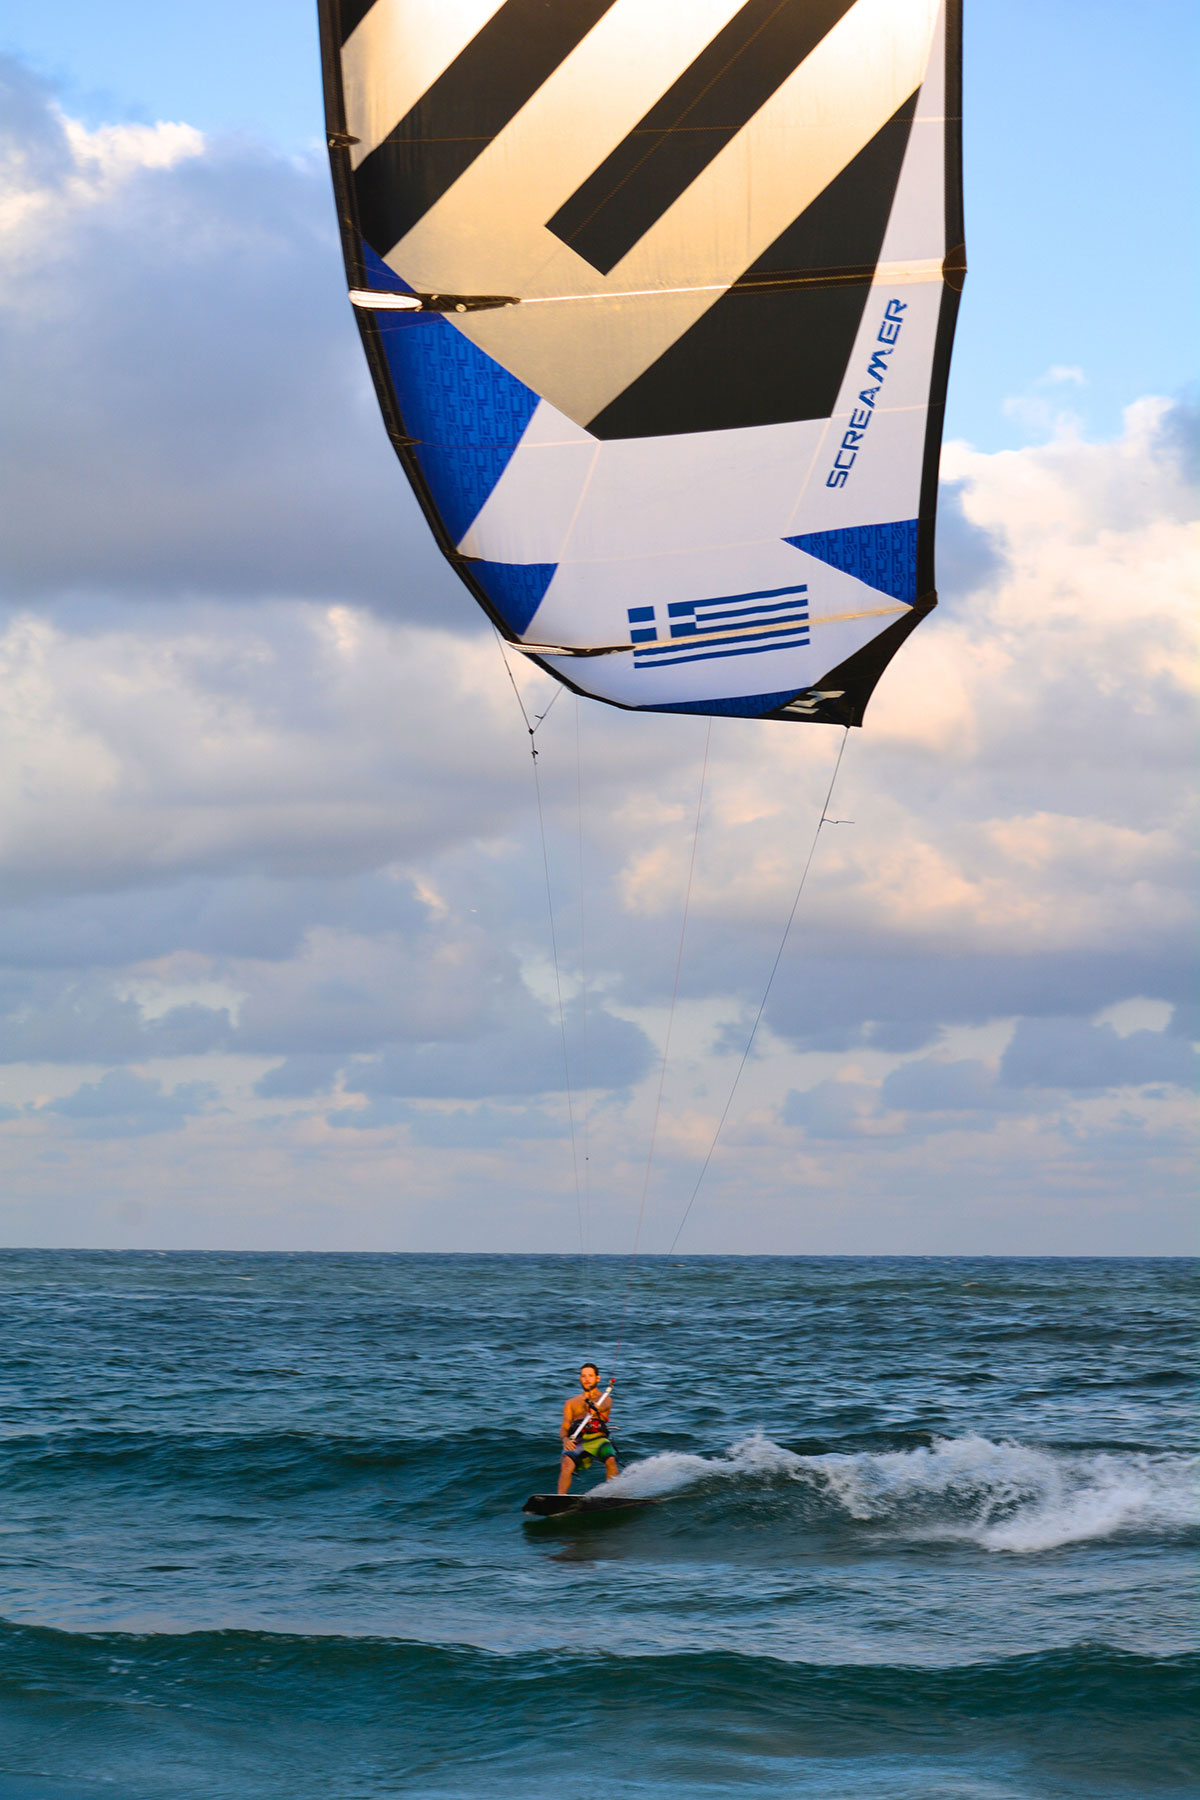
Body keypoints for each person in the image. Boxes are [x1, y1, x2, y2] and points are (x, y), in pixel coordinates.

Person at [558, 1363, 618, 1495]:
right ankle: (560, 1497)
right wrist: (565, 1440)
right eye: (583, 1376)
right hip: (578, 1440)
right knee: (567, 1464)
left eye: (590, 1376)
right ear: (580, 1379)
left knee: (611, 1460)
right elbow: (564, 1427)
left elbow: (604, 1405)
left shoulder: (605, 1399)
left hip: (598, 1438)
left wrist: (596, 1406)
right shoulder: (571, 1402)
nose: (587, 1379)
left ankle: (612, 1494)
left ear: (598, 1378)